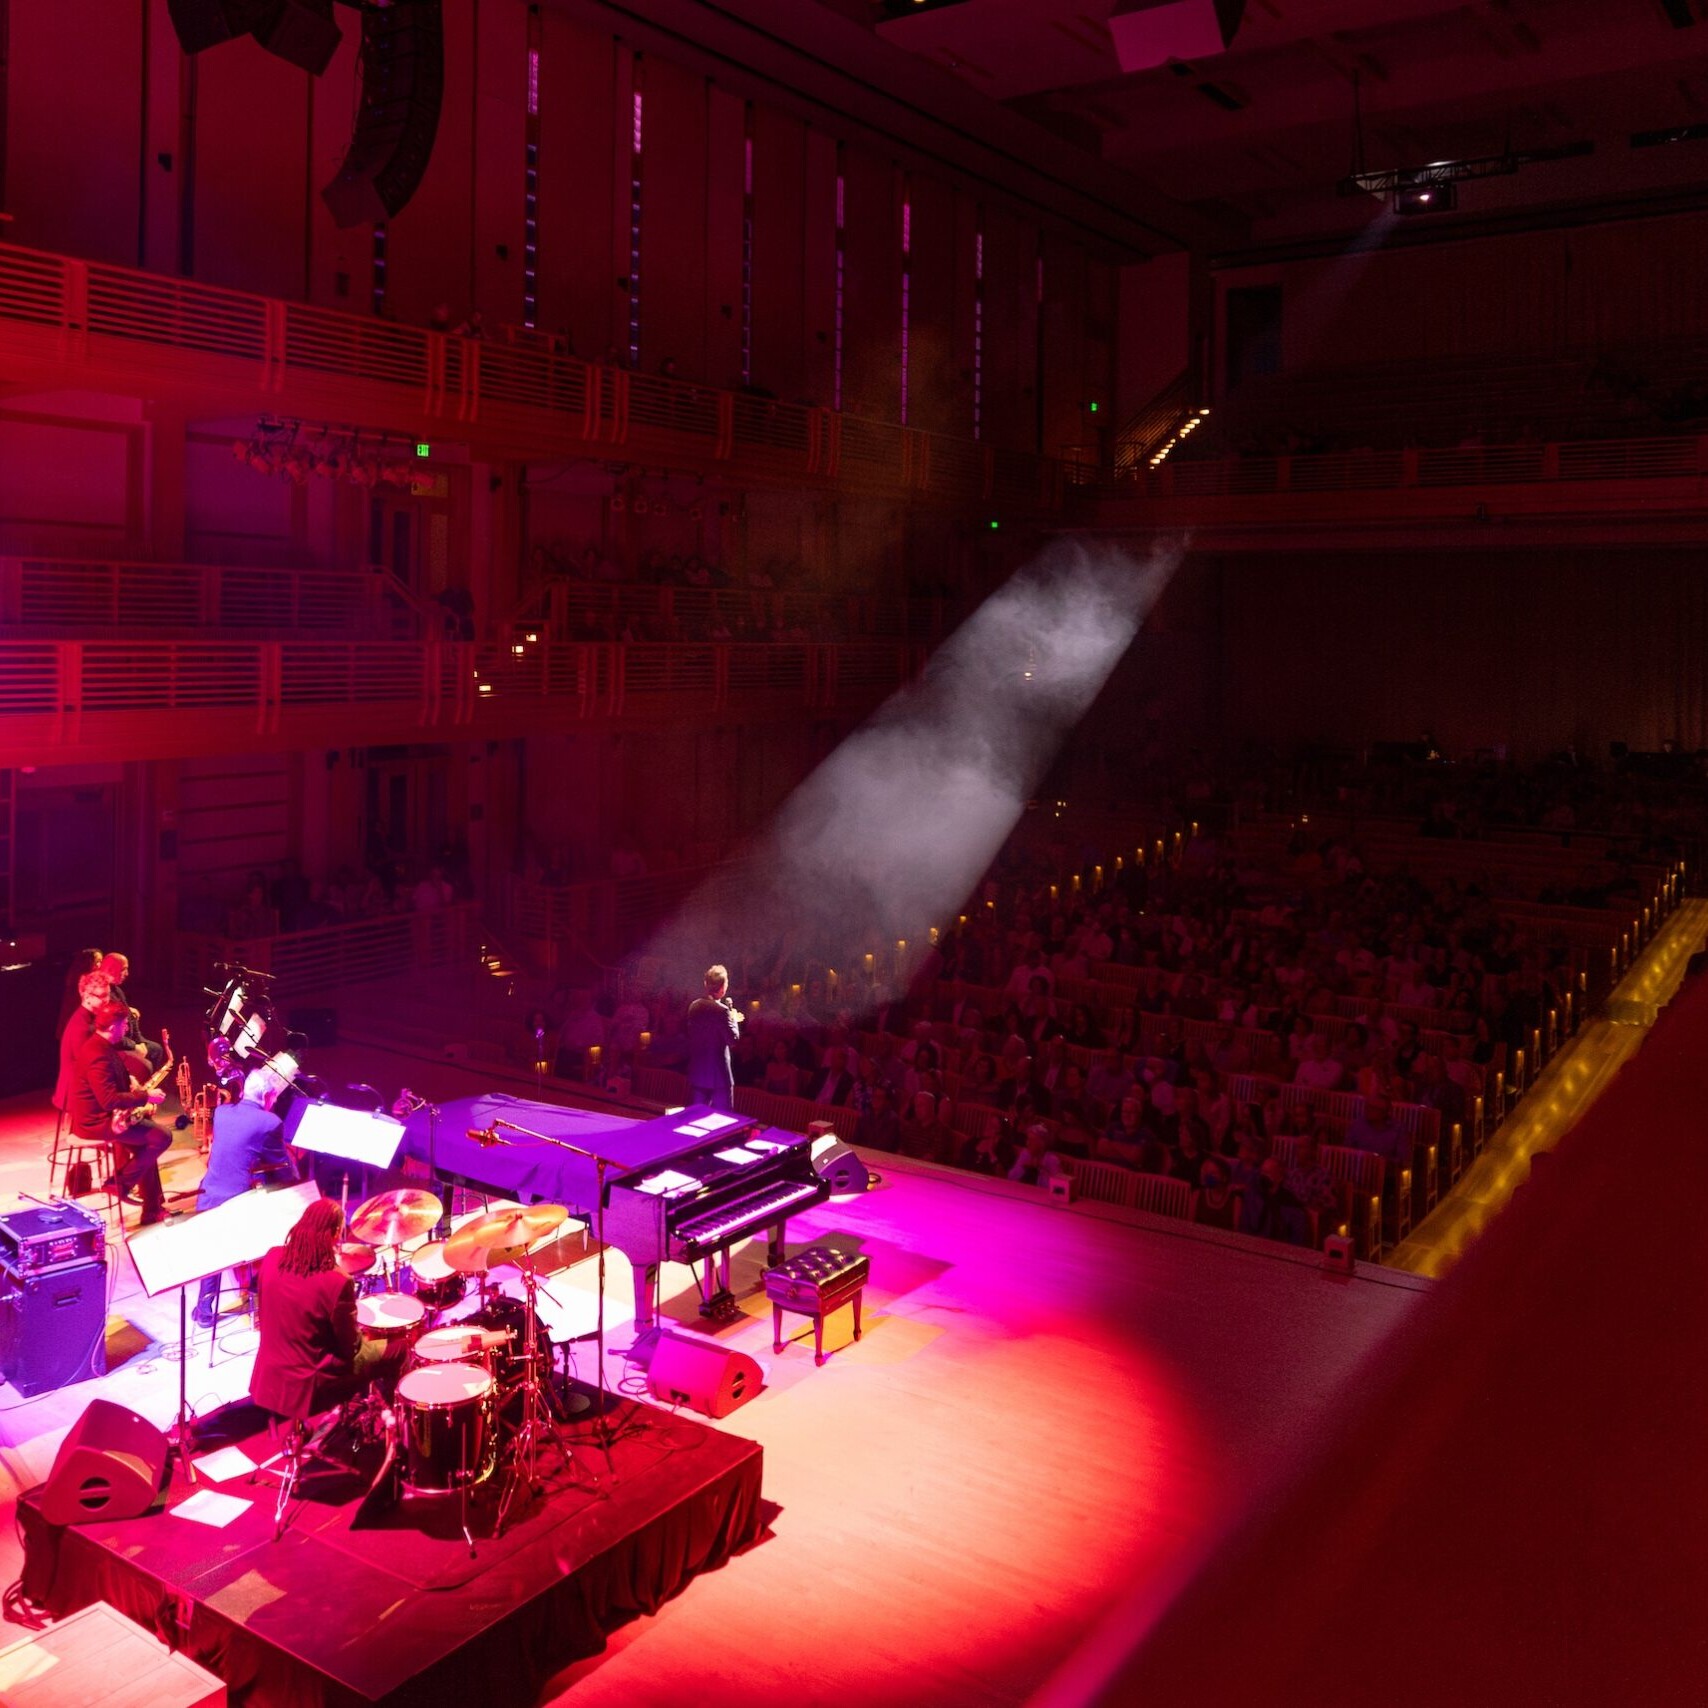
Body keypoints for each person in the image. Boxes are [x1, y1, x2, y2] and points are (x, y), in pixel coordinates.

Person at [251, 1198, 394, 1420]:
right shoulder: (337, 1281)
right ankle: (399, 1431)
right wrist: (364, 1334)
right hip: (312, 1383)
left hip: (269, 1374)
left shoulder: (271, 1258)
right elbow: (350, 1349)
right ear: (336, 1233)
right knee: (398, 1349)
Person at [193, 1055, 300, 1328]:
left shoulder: (222, 1113)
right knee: (284, 1220)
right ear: (267, 1096)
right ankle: (259, 1289)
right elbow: (282, 1170)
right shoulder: (269, 1122)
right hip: (235, 1208)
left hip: (207, 1197)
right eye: (274, 1097)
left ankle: (204, 1308)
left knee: (214, 1248)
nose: (274, 1101)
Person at [71, 998, 170, 1223]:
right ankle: (120, 1183)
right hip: (96, 1123)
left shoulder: (100, 1044)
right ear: (114, 1026)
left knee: (149, 1141)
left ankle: (152, 1209)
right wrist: (145, 1096)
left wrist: (130, 1081)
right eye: (124, 1025)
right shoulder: (97, 1053)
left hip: (103, 1117)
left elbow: (108, 1081)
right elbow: (108, 1100)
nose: (126, 1029)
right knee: (161, 1137)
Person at [686, 963, 741, 1109]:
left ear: (706, 984)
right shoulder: (722, 1011)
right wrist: (733, 1018)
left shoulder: (694, 1006)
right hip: (719, 1078)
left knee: (695, 1120)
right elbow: (733, 1040)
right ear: (723, 987)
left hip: (698, 1074)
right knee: (722, 1122)